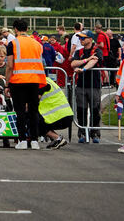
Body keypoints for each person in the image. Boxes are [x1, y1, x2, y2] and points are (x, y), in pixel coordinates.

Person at [6, 19, 47, 150]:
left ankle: (22, 140)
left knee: (20, 111)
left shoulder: (13, 43)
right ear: (27, 28)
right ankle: (34, 140)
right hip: (34, 81)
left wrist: (7, 84)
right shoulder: (37, 44)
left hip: (18, 81)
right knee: (34, 111)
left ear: (15, 29)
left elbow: (10, 65)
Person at [70, 30, 103, 144]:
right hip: (81, 85)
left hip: (94, 85)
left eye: (83, 38)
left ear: (90, 39)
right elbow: (73, 64)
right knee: (81, 111)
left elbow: (94, 61)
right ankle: (82, 133)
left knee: (95, 111)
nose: (81, 40)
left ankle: (95, 134)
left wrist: (83, 68)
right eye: (80, 38)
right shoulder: (79, 52)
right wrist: (86, 60)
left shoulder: (97, 50)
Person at [38, 77, 73, 149]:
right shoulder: (47, 79)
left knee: (32, 121)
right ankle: (55, 139)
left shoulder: (41, 82)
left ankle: (57, 138)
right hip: (65, 115)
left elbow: (34, 100)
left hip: (58, 116)